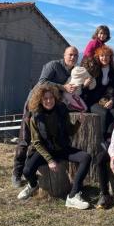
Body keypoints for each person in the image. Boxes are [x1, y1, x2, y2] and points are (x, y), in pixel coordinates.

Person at [11, 46, 82, 188]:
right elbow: (42, 82)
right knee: (25, 139)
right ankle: (17, 174)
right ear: (64, 55)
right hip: (34, 105)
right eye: (70, 54)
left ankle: (32, 169)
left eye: (75, 55)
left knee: (41, 139)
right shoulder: (53, 65)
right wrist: (64, 87)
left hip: (50, 107)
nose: (73, 57)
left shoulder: (73, 71)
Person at [17, 83, 91, 210]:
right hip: (44, 150)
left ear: (55, 98)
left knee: (86, 157)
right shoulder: (35, 116)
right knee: (27, 171)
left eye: (51, 97)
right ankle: (33, 185)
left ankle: (73, 196)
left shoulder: (62, 110)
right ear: (40, 100)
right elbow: (36, 142)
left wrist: (78, 123)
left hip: (61, 148)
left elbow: (70, 131)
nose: (49, 101)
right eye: (45, 98)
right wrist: (50, 160)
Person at [82, 45, 114, 140]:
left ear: (110, 57)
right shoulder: (93, 71)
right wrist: (84, 86)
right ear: (98, 57)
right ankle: (100, 139)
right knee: (104, 113)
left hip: (109, 101)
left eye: (107, 55)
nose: (104, 58)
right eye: (102, 55)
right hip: (93, 101)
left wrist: (113, 101)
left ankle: (108, 138)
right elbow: (86, 90)